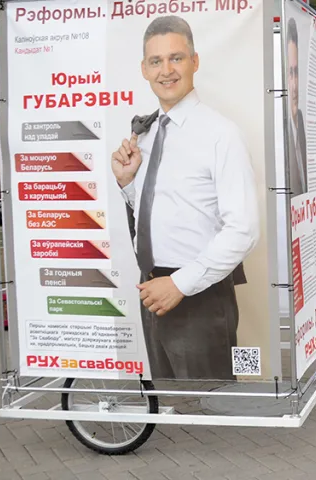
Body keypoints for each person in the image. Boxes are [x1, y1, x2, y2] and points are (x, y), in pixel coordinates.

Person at [110, 15, 259, 380]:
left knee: (212, 411)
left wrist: (179, 284)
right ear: (144, 69)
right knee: (171, 405)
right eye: (156, 61)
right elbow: (158, 212)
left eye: (176, 58)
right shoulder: (143, 136)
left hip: (199, 295)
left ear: (195, 62)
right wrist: (128, 185)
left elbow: (244, 229)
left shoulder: (220, 134)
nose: (166, 70)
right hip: (152, 289)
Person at [286, 17, 307, 197]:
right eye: (288, 73)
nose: (293, 84)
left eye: (295, 73)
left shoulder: (299, 118)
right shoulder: (277, 125)